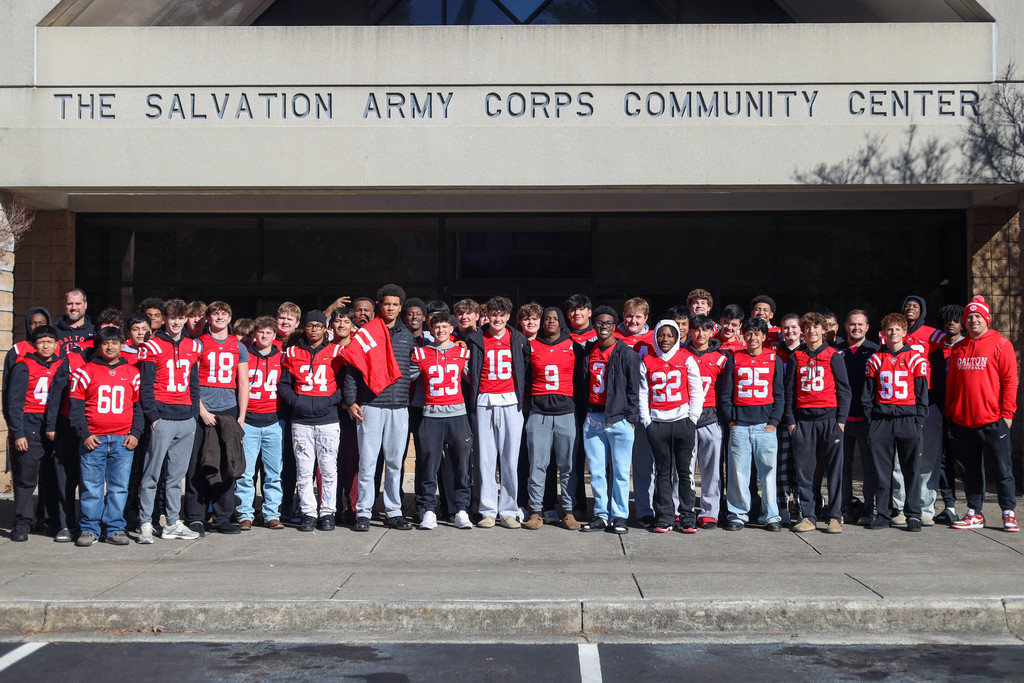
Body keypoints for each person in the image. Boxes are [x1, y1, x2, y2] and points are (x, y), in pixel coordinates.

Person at [344, 285, 416, 532]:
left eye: (395, 304)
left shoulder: (407, 335)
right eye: (387, 304)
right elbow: (354, 368)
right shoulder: (366, 333)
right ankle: (363, 512)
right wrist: (351, 401)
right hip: (371, 405)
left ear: (400, 307)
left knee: (396, 462)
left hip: (399, 407)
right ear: (379, 305)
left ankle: (393, 511)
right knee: (368, 462)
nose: (391, 308)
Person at [68, 326, 143, 547]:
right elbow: (75, 408)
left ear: (122, 345)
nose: (110, 347)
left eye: (114, 342)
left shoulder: (132, 372)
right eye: (105, 343)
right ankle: (90, 528)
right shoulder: (85, 371)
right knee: (91, 487)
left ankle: (115, 528)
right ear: (98, 346)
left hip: (122, 440)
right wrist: (84, 433)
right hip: (94, 440)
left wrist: (135, 433)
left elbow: (138, 408)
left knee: (119, 487)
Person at [948, 296, 1018, 532]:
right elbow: (952, 385)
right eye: (969, 317)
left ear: (986, 319)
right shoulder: (958, 348)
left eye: (978, 316)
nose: (973, 320)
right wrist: (951, 414)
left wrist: (1007, 414)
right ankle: (974, 513)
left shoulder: (1001, 344)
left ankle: (1008, 512)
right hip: (962, 422)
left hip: (993, 420)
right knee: (970, 470)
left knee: (1002, 468)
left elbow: (1010, 381)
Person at [137, 298, 202, 543]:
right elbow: (146, 385)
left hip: (185, 417)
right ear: (165, 318)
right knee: (152, 474)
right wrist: (153, 417)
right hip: (162, 417)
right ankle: (145, 521)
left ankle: (173, 522)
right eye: (172, 318)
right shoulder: (152, 345)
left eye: (181, 318)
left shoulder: (193, 346)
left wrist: (193, 413)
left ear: (186, 318)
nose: (176, 322)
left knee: (176, 477)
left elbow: (194, 384)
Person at [183, 301, 249, 535]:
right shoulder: (198, 344)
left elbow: (243, 382)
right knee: (197, 464)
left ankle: (222, 516)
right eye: (215, 314)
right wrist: (201, 410)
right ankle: (195, 516)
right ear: (208, 318)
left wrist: (241, 416)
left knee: (227, 463)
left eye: (224, 314)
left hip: (228, 410)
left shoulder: (237, 345)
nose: (220, 317)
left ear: (230, 318)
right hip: (203, 410)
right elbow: (191, 381)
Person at [464, 296, 531, 529]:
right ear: (487, 314)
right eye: (494, 314)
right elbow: (466, 368)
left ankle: (509, 510)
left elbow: (526, 368)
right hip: (484, 402)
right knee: (485, 459)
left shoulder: (519, 338)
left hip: (511, 402)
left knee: (510, 459)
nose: (498, 319)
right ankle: (488, 510)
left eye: (502, 315)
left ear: (508, 316)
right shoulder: (474, 338)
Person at [786, 312, 851, 534]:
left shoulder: (834, 355)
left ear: (824, 330)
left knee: (834, 470)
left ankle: (834, 517)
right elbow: (789, 393)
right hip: (803, 422)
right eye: (808, 328)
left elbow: (844, 391)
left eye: (816, 327)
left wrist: (840, 422)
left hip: (829, 420)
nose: (811, 331)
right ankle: (809, 516)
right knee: (805, 471)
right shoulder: (796, 356)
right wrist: (792, 423)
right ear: (803, 332)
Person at [863, 313, 928, 531]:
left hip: (907, 419)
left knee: (911, 469)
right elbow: (868, 394)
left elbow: (922, 393)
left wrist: (919, 419)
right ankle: (883, 513)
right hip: (882, 420)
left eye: (897, 329)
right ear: (883, 333)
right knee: (882, 470)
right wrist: (872, 419)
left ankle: (913, 514)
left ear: (904, 332)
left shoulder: (916, 358)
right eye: (889, 329)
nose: (893, 333)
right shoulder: (875, 359)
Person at [280, 310, 345, 532]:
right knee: (304, 470)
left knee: (328, 469)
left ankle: (327, 512)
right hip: (301, 420)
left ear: (325, 328)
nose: (314, 329)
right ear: (304, 328)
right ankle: (308, 512)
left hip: (328, 419)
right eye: (310, 325)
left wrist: (331, 401)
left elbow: (345, 383)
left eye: (318, 325)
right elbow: (284, 384)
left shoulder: (337, 352)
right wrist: (297, 402)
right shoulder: (291, 352)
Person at [410, 311, 474, 530]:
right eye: (436, 327)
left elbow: (474, 380)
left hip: (457, 415)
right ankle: (428, 510)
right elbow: (403, 377)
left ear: (451, 329)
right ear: (431, 329)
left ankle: (461, 510)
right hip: (431, 416)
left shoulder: (461, 353)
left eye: (445, 326)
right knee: (428, 466)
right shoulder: (421, 353)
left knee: (461, 466)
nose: (440, 330)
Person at [579, 307, 640, 535]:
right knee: (596, 471)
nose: (603, 327)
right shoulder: (588, 350)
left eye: (608, 323)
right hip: (594, 416)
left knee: (622, 472)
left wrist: (631, 419)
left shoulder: (626, 353)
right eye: (599, 323)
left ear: (615, 326)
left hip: (618, 419)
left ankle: (619, 516)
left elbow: (635, 388)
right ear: (594, 325)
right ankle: (601, 515)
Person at [720, 317, 784, 531]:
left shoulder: (774, 359)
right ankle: (738, 514)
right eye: (748, 333)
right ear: (743, 335)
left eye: (757, 333)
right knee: (738, 473)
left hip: (765, 425)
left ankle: (771, 515)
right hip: (740, 425)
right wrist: (731, 421)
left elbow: (780, 393)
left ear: (765, 336)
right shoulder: (734, 358)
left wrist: (774, 421)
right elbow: (726, 394)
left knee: (768, 472)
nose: (753, 337)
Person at [639, 320, 703, 533]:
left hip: (683, 422)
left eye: (669, 335)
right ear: (656, 336)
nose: (665, 339)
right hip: (658, 423)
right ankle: (665, 517)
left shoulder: (687, 359)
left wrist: (692, 418)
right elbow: (642, 394)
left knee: (685, 473)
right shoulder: (647, 361)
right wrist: (647, 421)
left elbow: (696, 390)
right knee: (662, 473)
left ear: (677, 337)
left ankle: (687, 517)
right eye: (661, 335)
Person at [522, 307, 582, 531]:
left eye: (555, 318)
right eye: (547, 318)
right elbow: (524, 377)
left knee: (567, 466)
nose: (551, 322)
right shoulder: (531, 346)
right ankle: (535, 511)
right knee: (537, 465)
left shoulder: (573, 346)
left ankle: (568, 511)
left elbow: (581, 379)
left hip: (566, 412)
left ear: (561, 322)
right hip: (539, 414)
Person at [5, 325, 64, 542]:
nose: (46, 345)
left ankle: (49, 521)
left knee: (50, 478)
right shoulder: (24, 366)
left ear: (57, 344)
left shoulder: (61, 365)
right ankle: (22, 522)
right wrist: (18, 433)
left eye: (50, 341)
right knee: (27, 478)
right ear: (34, 345)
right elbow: (14, 403)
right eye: (41, 342)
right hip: (30, 425)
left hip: (54, 426)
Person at [238, 317, 286, 530]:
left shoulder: (282, 358)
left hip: (273, 422)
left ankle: (271, 514)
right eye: (261, 332)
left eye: (268, 332)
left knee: (273, 473)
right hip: (249, 421)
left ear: (274, 336)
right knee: (246, 473)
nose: (264, 336)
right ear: (254, 334)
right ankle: (244, 514)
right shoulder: (245, 357)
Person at [683, 314, 729, 529]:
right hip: (685, 418)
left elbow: (725, 392)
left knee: (712, 471)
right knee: (683, 469)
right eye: (696, 329)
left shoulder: (721, 358)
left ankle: (710, 512)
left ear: (712, 331)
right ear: (690, 331)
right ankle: (681, 509)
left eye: (705, 330)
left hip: (711, 418)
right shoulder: (681, 355)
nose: (700, 334)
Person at [836, 309, 880, 524]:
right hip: (841, 420)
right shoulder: (836, 351)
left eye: (860, 324)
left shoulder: (876, 351)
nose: (856, 328)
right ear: (845, 326)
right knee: (841, 466)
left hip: (866, 420)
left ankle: (868, 508)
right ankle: (843, 507)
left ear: (867, 327)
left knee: (869, 467)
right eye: (852, 324)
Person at [933, 304, 964, 525]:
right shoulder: (936, 353)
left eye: (955, 319)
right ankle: (949, 505)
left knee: (967, 461)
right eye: (947, 319)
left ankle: (975, 507)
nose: (951, 322)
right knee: (944, 461)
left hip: (964, 414)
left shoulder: (968, 349)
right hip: (941, 412)